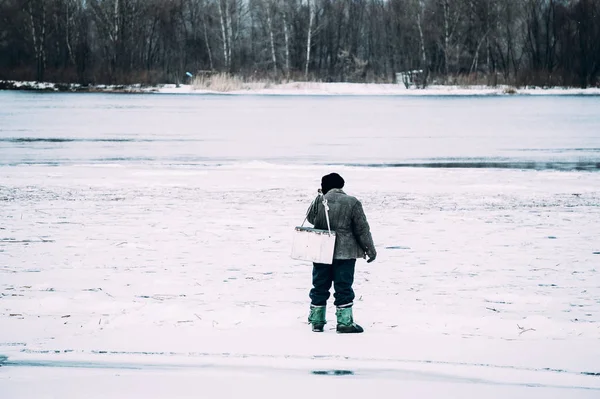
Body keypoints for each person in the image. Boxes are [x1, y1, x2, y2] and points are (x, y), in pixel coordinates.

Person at [306, 173, 376, 333]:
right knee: (343, 286)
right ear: (341, 185)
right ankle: (344, 323)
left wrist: (320, 198)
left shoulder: (321, 200)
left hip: (322, 249)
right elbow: (362, 229)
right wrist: (370, 250)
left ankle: (317, 321)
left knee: (319, 285)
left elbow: (310, 218)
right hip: (345, 252)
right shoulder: (352, 202)